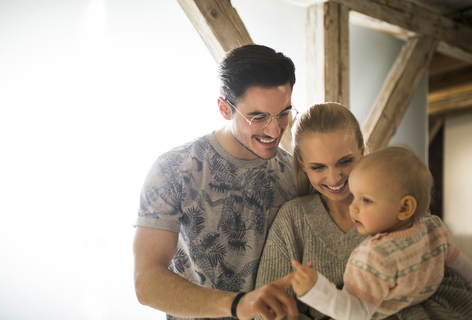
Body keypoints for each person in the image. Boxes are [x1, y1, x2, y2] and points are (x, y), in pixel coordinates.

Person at [255, 102, 472, 320]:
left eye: (345, 161)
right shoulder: (292, 221)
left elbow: (448, 282)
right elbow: (265, 312)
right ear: (302, 164)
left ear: (361, 151)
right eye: (318, 167)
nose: (334, 178)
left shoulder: (399, 202)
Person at [133, 44, 300, 320]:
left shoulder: (296, 175)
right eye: (258, 117)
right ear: (224, 108)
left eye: (283, 113)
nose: (274, 130)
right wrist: (238, 305)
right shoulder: (174, 169)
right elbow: (146, 282)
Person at [290, 146, 472, 320]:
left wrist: (316, 290)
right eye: (354, 196)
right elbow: (464, 268)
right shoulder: (434, 228)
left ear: (405, 207)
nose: (353, 207)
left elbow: (358, 313)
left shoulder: (373, 257)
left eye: (366, 200)